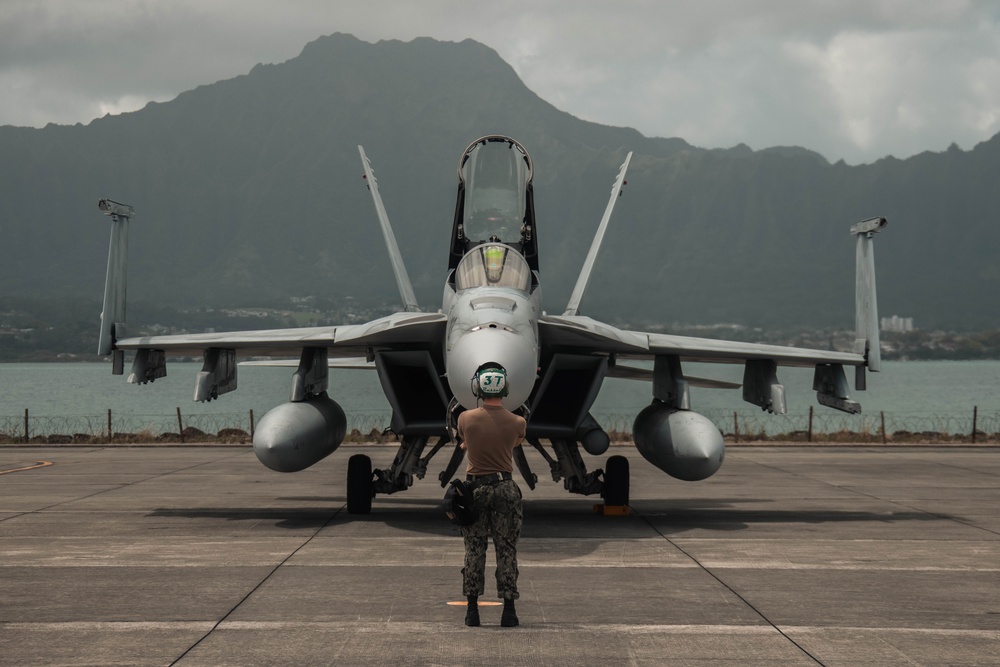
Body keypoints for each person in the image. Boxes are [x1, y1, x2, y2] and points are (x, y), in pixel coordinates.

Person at [456, 362, 526, 628]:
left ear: (478, 387)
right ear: (505, 388)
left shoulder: (465, 418)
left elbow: (465, 439)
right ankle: (509, 611)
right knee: (506, 549)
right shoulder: (518, 422)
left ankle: (472, 611)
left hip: (475, 490)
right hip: (505, 489)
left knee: (474, 550)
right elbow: (515, 441)